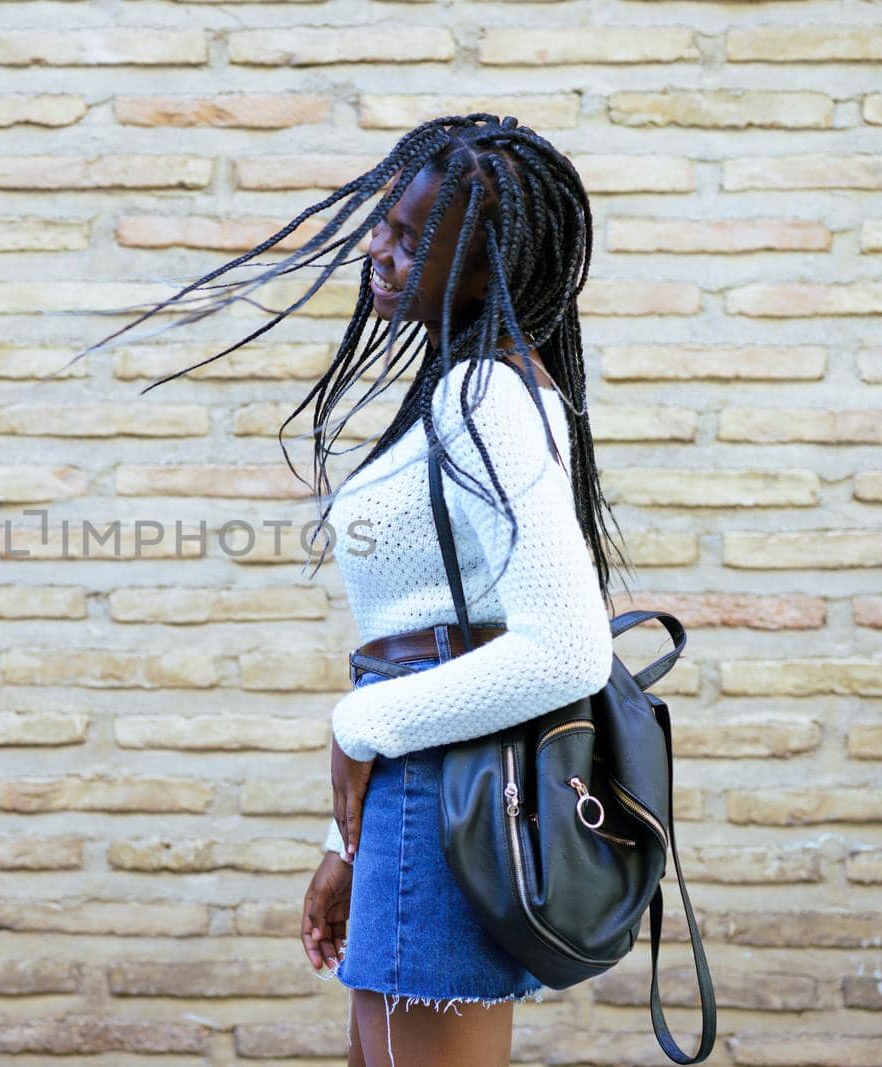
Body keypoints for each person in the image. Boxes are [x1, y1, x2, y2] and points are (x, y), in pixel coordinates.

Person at [84, 114, 627, 1067]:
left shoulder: (488, 399)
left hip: (443, 798)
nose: (377, 245)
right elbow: (415, 635)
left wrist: (355, 727)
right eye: (384, 220)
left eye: (412, 235)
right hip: (417, 797)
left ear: (485, 261)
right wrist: (342, 839)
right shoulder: (457, 390)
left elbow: (567, 649)